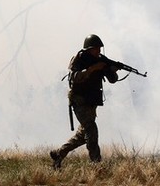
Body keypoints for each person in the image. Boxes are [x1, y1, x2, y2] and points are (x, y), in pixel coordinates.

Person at [50, 34, 119, 169]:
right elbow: (74, 77)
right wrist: (92, 69)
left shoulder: (101, 60)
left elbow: (112, 79)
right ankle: (96, 164)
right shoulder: (79, 59)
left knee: (82, 136)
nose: (98, 51)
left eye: (99, 49)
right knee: (91, 129)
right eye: (95, 49)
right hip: (79, 100)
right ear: (88, 49)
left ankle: (59, 154)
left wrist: (111, 70)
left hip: (91, 102)